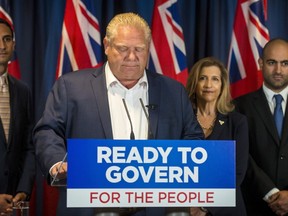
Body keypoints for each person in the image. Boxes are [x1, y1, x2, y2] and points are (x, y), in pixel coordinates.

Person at [33, 12, 204, 216]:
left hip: (157, 209)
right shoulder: (71, 87)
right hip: (89, 206)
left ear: (148, 48)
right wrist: (57, 163)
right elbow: (47, 131)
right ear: (106, 45)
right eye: (123, 48)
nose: (131, 57)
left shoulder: (173, 91)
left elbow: (193, 138)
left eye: (139, 49)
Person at [186, 57, 249, 216]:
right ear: (195, 84)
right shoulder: (181, 120)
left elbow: (237, 173)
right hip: (187, 207)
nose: (208, 85)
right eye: (203, 78)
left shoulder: (237, 122)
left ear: (222, 86)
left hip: (225, 210)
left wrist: (205, 206)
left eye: (215, 79)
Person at [235, 38, 288, 216]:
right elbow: (241, 156)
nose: (278, 70)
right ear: (261, 63)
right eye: (272, 63)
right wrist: (272, 193)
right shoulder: (239, 106)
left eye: (285, 63)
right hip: (254, 206)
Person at [0, 18, 35, 215]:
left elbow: (28, 147)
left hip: (14, 203)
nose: (2, 46)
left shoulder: (23, 90)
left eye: (7, 39)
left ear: (13, 44)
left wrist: (23, 189)